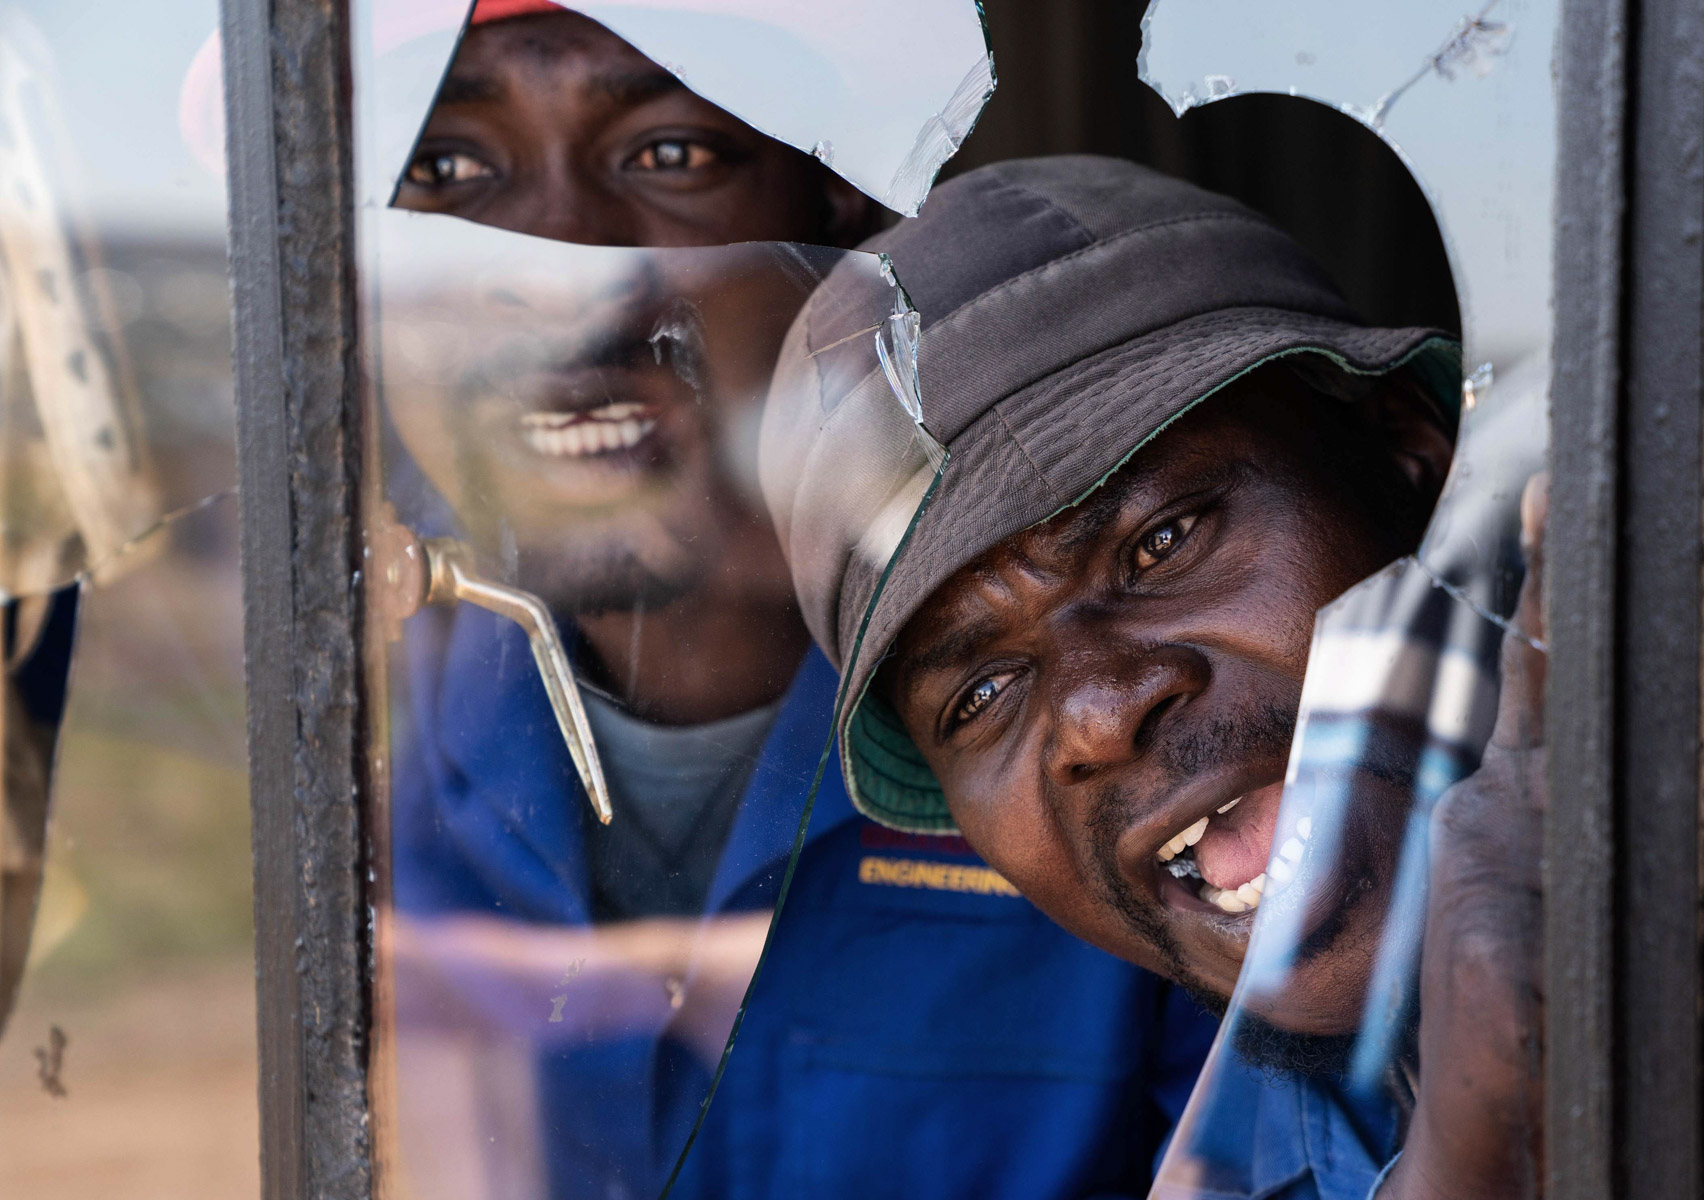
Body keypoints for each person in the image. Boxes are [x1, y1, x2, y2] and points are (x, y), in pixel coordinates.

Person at [382, 7, 1216, 1198]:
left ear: (836, 211)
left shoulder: (1109, 705)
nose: (547, 274)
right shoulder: (352, 711)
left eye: (669, 154)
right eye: (445, 170)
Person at [763, 154, 1544, 1199]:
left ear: (1408, 452)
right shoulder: (1245, 1152)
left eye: (1161, 543)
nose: (1093, 717)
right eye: (981, 695)